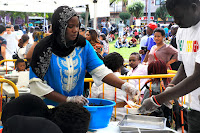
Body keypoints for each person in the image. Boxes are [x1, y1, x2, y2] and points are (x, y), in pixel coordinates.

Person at [29, 6, 138, 106]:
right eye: (70, 26)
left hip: (75, 109)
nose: (75, 30)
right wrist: (67, 99)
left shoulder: (83, 45)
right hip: (48, 108)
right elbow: (37, 84)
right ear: (60, 27)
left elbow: (100, 71)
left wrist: (125, 86)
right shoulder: (44, 48)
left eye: (77, 26)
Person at [139, 0, 200, 132]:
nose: (176, 21)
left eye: (179, 16)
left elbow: (198, 76)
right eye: (173, 16)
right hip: (196, 107)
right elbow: (185, 65)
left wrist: (157, 99)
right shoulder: (183, 31)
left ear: (194, 8)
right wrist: (171, 86)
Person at [91, 52, 128, 120]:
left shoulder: (97, 83)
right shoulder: (129, 81)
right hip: (124, 116)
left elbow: (92, 100)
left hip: (103, 116)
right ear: (121, 66)